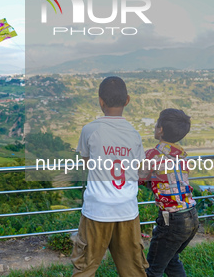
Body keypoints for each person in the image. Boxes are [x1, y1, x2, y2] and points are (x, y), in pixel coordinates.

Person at [71, 76, 148, 277]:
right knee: (133, 268)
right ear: (127, 100)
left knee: (85, 266)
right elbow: (137, 168)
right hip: (127, 209)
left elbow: (88, 163)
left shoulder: (90, 130)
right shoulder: (134, 134)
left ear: (100, 101)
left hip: (97, 209)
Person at [139, 108, 198, 277]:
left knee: (153, 270)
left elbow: (139, 178)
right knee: (171, 260)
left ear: (160, 129)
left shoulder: (152, 155)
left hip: (172, 221)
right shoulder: (182, 157)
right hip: (191, 217)